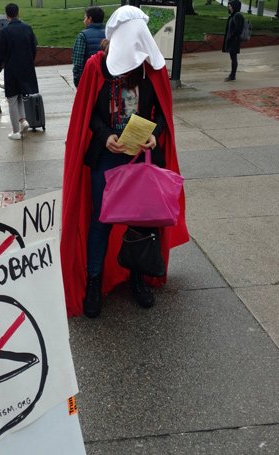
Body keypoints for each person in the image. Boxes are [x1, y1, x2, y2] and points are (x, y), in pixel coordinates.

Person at [60, 6, 189, 318]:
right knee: (101, 220)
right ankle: (94, 281)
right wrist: (105, 136)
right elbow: (87, 113)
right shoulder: (96, 67)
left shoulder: (152, 69)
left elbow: (161, 113)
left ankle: (138, 276)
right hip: (108, 154)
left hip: (142, 156)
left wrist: (154, 136)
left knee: (141, 222)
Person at [0, 3, 38, 140]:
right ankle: (23, 121)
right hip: (26, 68)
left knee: (12, 99)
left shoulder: (4, 32)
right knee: (20, 96)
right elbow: (34, 47)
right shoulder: (27, 28)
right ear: (18, 13)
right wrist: (29, 61)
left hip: (12, 69)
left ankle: (15, 132)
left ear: (6, 15)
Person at [72, 7, 105, 88]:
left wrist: (77, 80)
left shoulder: (82, 36)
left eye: (85, 18)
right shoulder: (109, 34)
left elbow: (78, 62)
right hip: (106, 78)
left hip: (88, 78)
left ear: (90, 19)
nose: (84, 21)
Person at [222, 0, 244, 82]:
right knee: (233, 57)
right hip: (232, 39)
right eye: (229, 6)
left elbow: (238, 28)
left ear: (235, 6)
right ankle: (232, 75)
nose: (229, 7)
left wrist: (232, 36)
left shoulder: (237, 15)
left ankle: (232, 75)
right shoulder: (233, 15)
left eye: (230, 6)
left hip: (234, 40)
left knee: (233, 58)